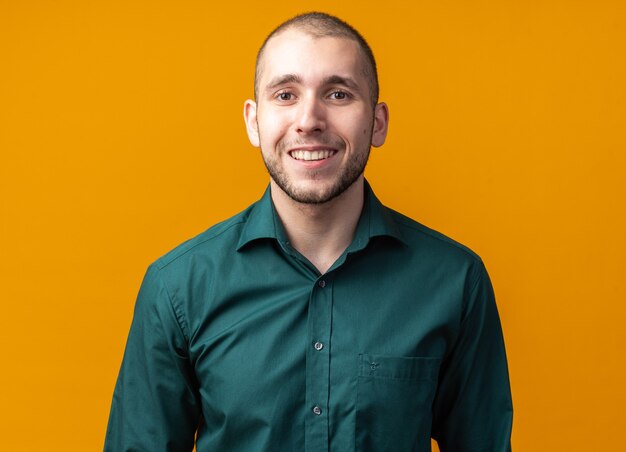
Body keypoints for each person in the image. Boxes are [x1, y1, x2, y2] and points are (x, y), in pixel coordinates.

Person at [105, 12, 513, 452]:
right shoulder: (177, 288)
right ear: (253, 121)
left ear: (377, 123)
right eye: (285, 94)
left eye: (338, 94)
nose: (309, 119)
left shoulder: (455, 280)